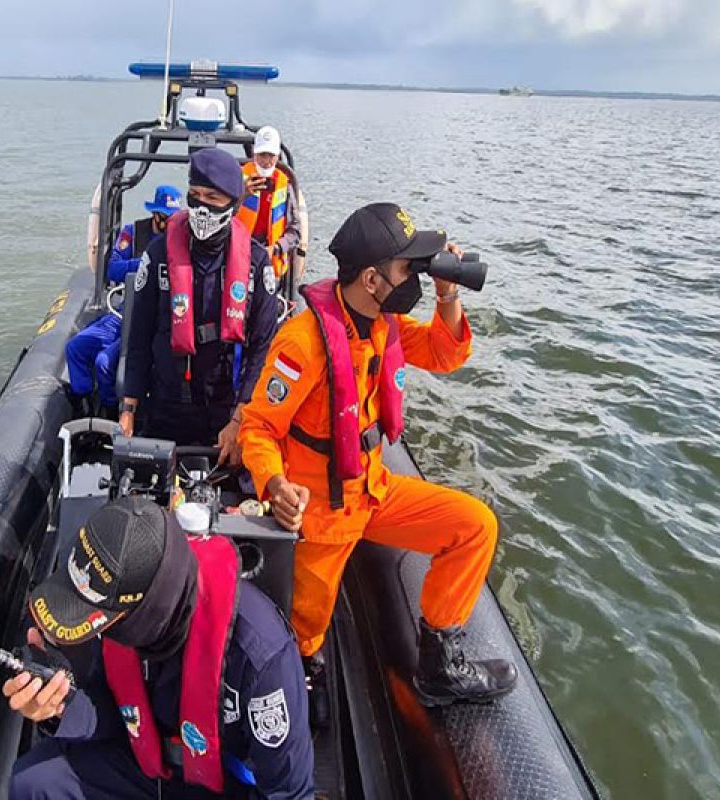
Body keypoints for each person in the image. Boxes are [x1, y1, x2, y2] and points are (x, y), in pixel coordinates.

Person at [238, 203, 518, 709]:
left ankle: (440, 665)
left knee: (474, 526)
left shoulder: (384, 324)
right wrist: (275, 485)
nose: (415, 275)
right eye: (407, 268)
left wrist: (447, 291)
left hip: (373, 490)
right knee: (304, 632)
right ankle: (299, 680)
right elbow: (258, 427)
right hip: (321, 512)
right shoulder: (303, 343)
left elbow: (445, 353)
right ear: (371, 278)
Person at [4, 497, 314, 799]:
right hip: (144, 764)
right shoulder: (117, 608)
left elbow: (288, 792)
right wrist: (59, 709)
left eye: (97, 618)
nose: (95, 628)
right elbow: (110, 711)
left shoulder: (262, 656)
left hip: (222, 783)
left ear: (145, 615)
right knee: (34, 783)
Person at [120, 148, 279, 465]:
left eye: (212, 197)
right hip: (165, 401)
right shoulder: (160, 253)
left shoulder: (257, 264)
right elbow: (137, 336)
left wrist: (239, 420)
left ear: (233, 203)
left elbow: (262, 349)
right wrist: (128, 409)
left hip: (225, 408)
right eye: (194, 195)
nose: (201, 207)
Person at [66, 185, 183, 415]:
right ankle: (85, 407)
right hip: (123, 310)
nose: (170, 224)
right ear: (156, 214)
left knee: (105, 362)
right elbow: (111, 269)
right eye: (166, 217)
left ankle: (112, 412)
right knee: (75, 348)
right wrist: (142, 264)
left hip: (152, 318)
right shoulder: (133, 233)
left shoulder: (180, 243)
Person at [237, 127, 301, 282]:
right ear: (254, 154)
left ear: (277, 156)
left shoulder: (285, 185)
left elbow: (295, 231)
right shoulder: (238, 178)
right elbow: (222, 215)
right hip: (239, 253)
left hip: (269, 257)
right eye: (262, 155)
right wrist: (242, 194)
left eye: (271, 156)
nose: (266, 161)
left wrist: (277, 248)